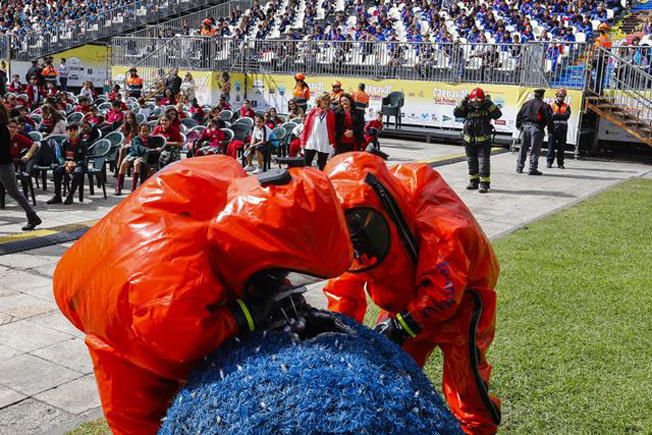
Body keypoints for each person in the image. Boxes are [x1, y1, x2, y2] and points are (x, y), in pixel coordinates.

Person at [53, 157, 352, 434]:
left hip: (129, 260)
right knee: (142, 414)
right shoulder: (174, 286)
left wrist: (287, 303)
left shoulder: (234, 184)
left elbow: (268, 246)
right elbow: (183, 344)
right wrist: (246, 315)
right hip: (107, 301)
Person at [323, 152, 501, 435]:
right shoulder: (354, 215)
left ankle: (476, 430)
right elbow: (344, 280)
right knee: (389, 373)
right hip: (403, 302)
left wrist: (401, 326)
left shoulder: (429, 205)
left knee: (467, 388)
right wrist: (339, 328)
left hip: (463, 302)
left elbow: (445, 289)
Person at [453, 88, 502, 193]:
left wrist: (489, 103)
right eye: (473, 101)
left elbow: (498, 115)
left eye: (478, 101)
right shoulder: (467, 106)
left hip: (483, 142)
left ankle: (484, 184)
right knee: (471, 162)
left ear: (483, 100)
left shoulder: (487, 106)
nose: (476, 103)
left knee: (483, 163)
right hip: (468, 141)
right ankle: (473, 181)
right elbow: (456, 113)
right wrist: (464, 101)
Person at [2, 116, 42, 230]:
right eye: (10, 127)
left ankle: (32, 216)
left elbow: (35, 144)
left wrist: (28, 155)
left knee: (14, 192)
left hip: (6, 166)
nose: (12, 129)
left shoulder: (16, 137)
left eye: (14, 127)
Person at [47, 123, 88, 205]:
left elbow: (84, 158)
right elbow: (60, 157)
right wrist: (66, 164)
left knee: (77, 173)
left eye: (74, 130)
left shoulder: (82, 143)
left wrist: (74, 164)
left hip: (78, 165)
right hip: (66, 164)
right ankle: (57, 195)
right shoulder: (64, 142)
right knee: (57, 170)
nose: (72, 133)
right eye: (70, 130)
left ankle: (70, 195)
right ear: (67, 132)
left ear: (77, 131)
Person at [516, 88, 553, 175]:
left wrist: (520, 127)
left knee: (523, 148)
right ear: (542, 96)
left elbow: (519, 116)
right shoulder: (545, 106)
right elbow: (549, 119)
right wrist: (550, 130)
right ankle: (532, 168)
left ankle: (519, 167)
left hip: (525, 128)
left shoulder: (526, 104)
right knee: (535, 149)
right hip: (537, 129)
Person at [115, 124, 157, 195]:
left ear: (149, 132)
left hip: (143, 156)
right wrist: (148, 149)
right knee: (124, 163)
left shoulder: (151, 140)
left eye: (147, 131)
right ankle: (118, 186)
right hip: (134, 154)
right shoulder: (136, 139)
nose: (145, 133)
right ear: (140, 132)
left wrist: (154, 149)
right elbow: (138, 147)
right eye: (143, 131)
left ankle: (133, 187)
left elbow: (154, 148)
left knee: (137, 164)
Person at [302, 92, 336, 170]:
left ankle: (321, 180)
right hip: (311, 141)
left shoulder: (331, 113)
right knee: (307, 163)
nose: (326, 101)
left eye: (327, 100)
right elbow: (306, 127)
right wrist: (303, 140)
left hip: (324, 142)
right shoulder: (313, 112)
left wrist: (332, 143)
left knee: (322, 164)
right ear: (319, 101)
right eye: (324, 99)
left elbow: (332, 129)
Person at [547, 89, 571, 169]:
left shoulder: (567, 106)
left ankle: (560, 163)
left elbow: (566, 116)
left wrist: (556, 114)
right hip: (552, 129)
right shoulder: (551, 105)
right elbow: (550, 116)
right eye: (560, 96)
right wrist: (560, 115)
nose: (561, 98)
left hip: (562, 130)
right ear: (556, 96)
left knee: (561, 148)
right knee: (551, 147)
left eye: (563, 96)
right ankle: (549, 162)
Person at [593, 23, 612, 94]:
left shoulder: (603, 40)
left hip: (599, 59)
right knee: (599, 75)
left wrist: (605, 60)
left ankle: (597, 89)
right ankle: (597, 89)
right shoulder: (605, 40)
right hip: (599, 59)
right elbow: (607, 52)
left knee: (599, 75)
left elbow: (606, 52)